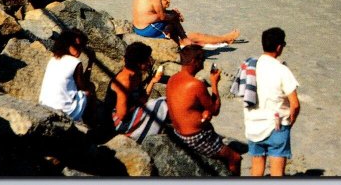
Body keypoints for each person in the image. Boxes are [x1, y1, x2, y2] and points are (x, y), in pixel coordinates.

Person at [166, 45, 241, 175]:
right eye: (202, 59)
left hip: (178, 133)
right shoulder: (195, 84)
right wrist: (214, 83)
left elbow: (187, 105)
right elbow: (215, 109)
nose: (203, 63)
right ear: (194, 61)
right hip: (195, 137)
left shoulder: (172, 79)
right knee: (235, 158)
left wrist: (204, 113)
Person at [243, 28, 300, 177]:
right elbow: (295, 104)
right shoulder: (282, 70)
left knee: (256, 167)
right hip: (276, 125)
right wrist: (290, 122)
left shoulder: (250, 66)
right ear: (279, 47)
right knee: (277, 173)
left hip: (253, 124)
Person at [108, 42, 168, 142]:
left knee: (162, 103)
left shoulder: (136, 75)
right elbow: (121, 114)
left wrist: (152, 82)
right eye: (147, 60)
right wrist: (140, 105)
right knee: (161, 104)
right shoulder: (125, 80)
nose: (149, 62)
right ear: (139, 64)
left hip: (131, 113)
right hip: (116, 121)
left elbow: (142, 98)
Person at [39, 29, 96, 123]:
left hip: (45, 106)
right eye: (77, 46)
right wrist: (90, 64)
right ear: (67, 44)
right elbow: (83, 87)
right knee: (90, 89)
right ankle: (90, 123)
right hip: (65, 112)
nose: (80, 49)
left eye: (82, 46)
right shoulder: (76, 62)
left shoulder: (54, 59)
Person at [159, 0, 240, 47]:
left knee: (196, 36)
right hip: (165, 41)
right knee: (195, 36)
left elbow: (178, 25)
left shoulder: (166, 12)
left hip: (173, 38)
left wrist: (176, 18)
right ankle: (225, 38)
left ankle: (224, 39)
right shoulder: (156, 13)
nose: (169, 1)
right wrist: (174, 18)